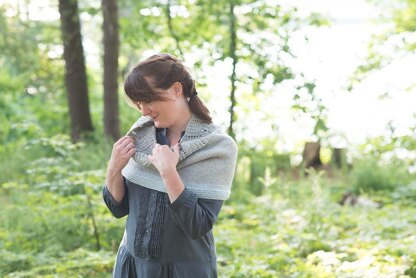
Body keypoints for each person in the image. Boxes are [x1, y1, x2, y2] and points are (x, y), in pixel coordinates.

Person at [103, 53, 238, 277]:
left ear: (176, 89)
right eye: (138, 103)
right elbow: (119, 208)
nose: (143, 111)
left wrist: (168, 173)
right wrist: (114, 168)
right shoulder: (141, 135)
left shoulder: (218, 147)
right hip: (132, 267)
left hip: (183, 271)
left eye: (148, 100)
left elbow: (198, 225)